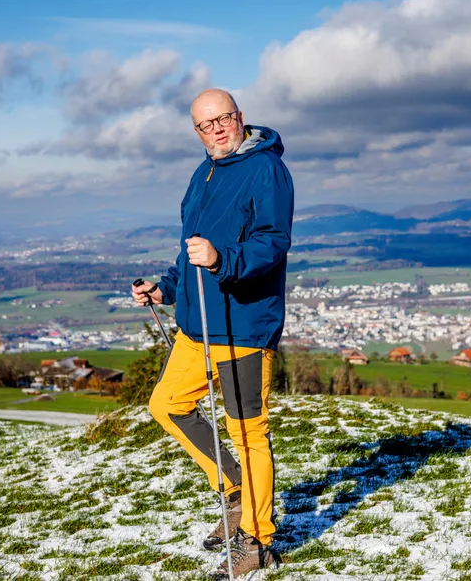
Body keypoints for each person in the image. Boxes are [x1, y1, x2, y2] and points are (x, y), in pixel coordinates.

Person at [131, 88, 293, 579]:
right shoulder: (203, 173)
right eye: (206, 124)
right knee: (167, 404)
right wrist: (166, 288)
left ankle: (258, 540)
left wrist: (224, 259)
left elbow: (273, 243)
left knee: (248, 432)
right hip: (198, 325)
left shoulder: (266, 169)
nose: (217, 129)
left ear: (240, 117)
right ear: (197, 131)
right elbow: (190, 254)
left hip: (244, 324)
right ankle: (234, 490)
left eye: (224, 119)